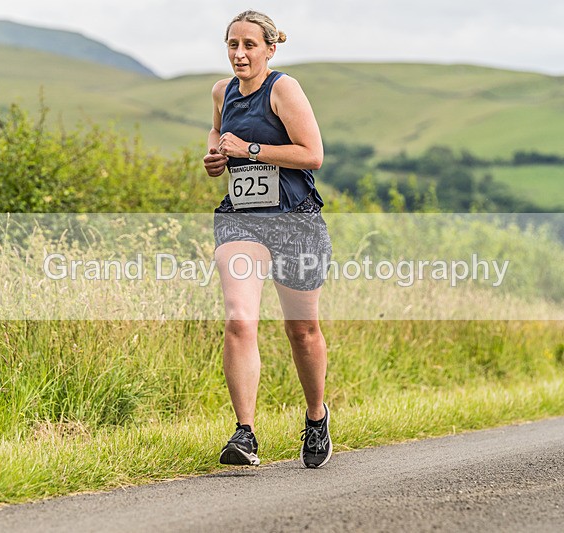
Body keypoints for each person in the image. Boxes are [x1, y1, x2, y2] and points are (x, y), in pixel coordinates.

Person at [202, 10, 333, 467]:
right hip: (241, 220)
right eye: (232, 45)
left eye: (249, 45)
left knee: (302, 330)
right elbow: (219, 134)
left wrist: (251, 149)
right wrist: (217, 155)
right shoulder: (223, 91)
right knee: (240, 319)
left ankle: (316, 416)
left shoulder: (283, 88)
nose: (239, 54)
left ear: (270, 48)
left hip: (295, 220)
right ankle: (245, 433)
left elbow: (312, 155)